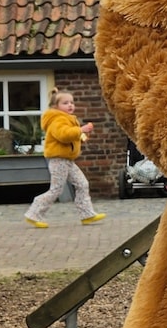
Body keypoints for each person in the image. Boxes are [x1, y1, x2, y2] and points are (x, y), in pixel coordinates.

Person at [24, 89, 107, 228]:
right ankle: (34, 213)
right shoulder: (57, 119)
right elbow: (63, 134)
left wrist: (82, 136)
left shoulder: (67, 119)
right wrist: (81, 130)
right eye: (65, 103)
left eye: (72, 102)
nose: (70, 105)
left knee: (82, 184)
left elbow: (71, 135)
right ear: (55, 106)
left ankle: (87, 214)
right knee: (56, 189)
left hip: (67, 160)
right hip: (58, 160)